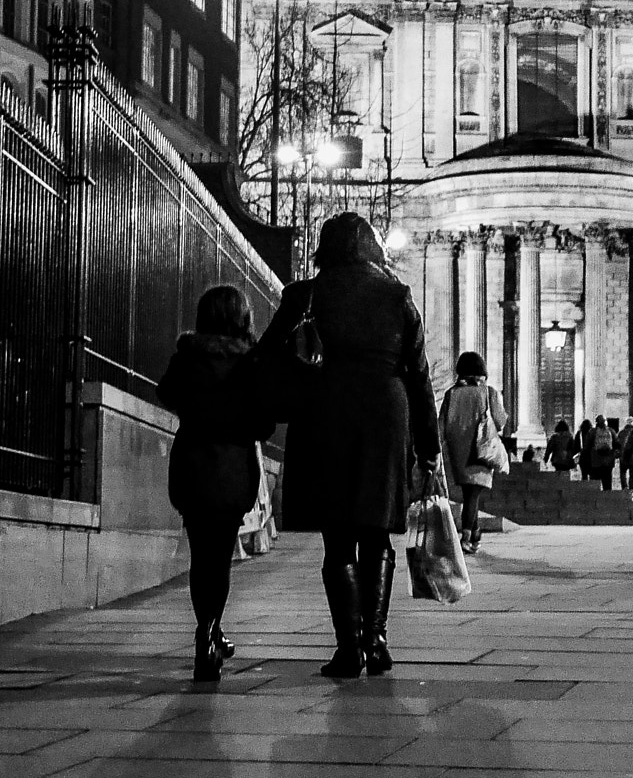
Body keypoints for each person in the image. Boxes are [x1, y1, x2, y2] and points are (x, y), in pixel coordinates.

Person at [258, 211, 439, 679]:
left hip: (325, 413)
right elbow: (418, 375)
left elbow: (267, 356)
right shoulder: (398, 295)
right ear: (369, 246)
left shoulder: (305, 294)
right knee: (377, 532)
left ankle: (348, 649)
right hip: (385, 414)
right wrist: (430, 446)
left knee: (337, 538)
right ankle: (376, 641)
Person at [156, 284, 277, 683]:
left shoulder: (187, 357)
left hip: (192, 463)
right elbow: (264, 423)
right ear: (243, 318)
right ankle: (209, 632)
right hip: (232, 468)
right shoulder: (253, 363)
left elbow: (166, 393)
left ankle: (208, 631)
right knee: (219, 559)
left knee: (200, 558)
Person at [439, 351, 504, 553]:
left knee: (470, 492)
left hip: (457, 452)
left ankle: (475, 534)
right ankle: (466, 537)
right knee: (472, 495)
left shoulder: (451, 394)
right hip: (480, 450)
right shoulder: (488, 392)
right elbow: (500, 422)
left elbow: (440, 426)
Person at [587, 414, 617, 491]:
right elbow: (617, 444)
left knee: (594, 483)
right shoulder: (611, 431)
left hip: (596, 460)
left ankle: (595, 498)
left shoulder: (592, 432)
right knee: (607, 482)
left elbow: (588, 445)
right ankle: (607, 499)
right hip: (608, 461)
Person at [576, 415, 596, 483]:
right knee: (592, 474)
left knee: (584, 474)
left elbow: (576, 445)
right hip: (592, 456)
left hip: (583, 455)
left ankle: (584, 487)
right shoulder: (593, 433)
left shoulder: (579, 433)